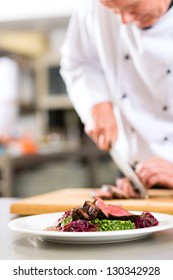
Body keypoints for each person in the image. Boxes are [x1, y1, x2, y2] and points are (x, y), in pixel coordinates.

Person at [60, 0, 173, 189]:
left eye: (133, 7)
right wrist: (95, 102)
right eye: (113, 11)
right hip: (136, 171)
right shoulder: (92, 6)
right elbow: (77, 62)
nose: (124, 20)